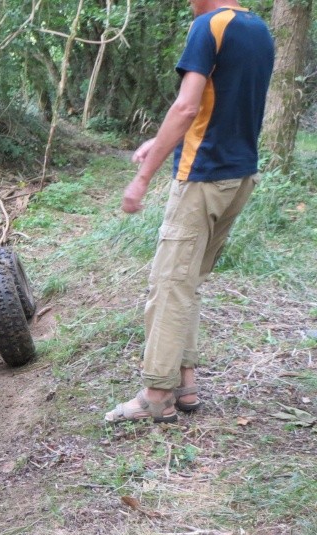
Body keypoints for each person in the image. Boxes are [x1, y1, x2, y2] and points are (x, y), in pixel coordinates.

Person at [105, 0, 274, 424]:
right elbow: (220, 109)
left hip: (202, 180)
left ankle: (156, 395)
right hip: (239, 177)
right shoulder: (258, 28)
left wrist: (143, 177)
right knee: (188, 281)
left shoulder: (207, 27)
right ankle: (186, 382)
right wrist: (159, 144)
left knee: (168, 285)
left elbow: (186, 106)